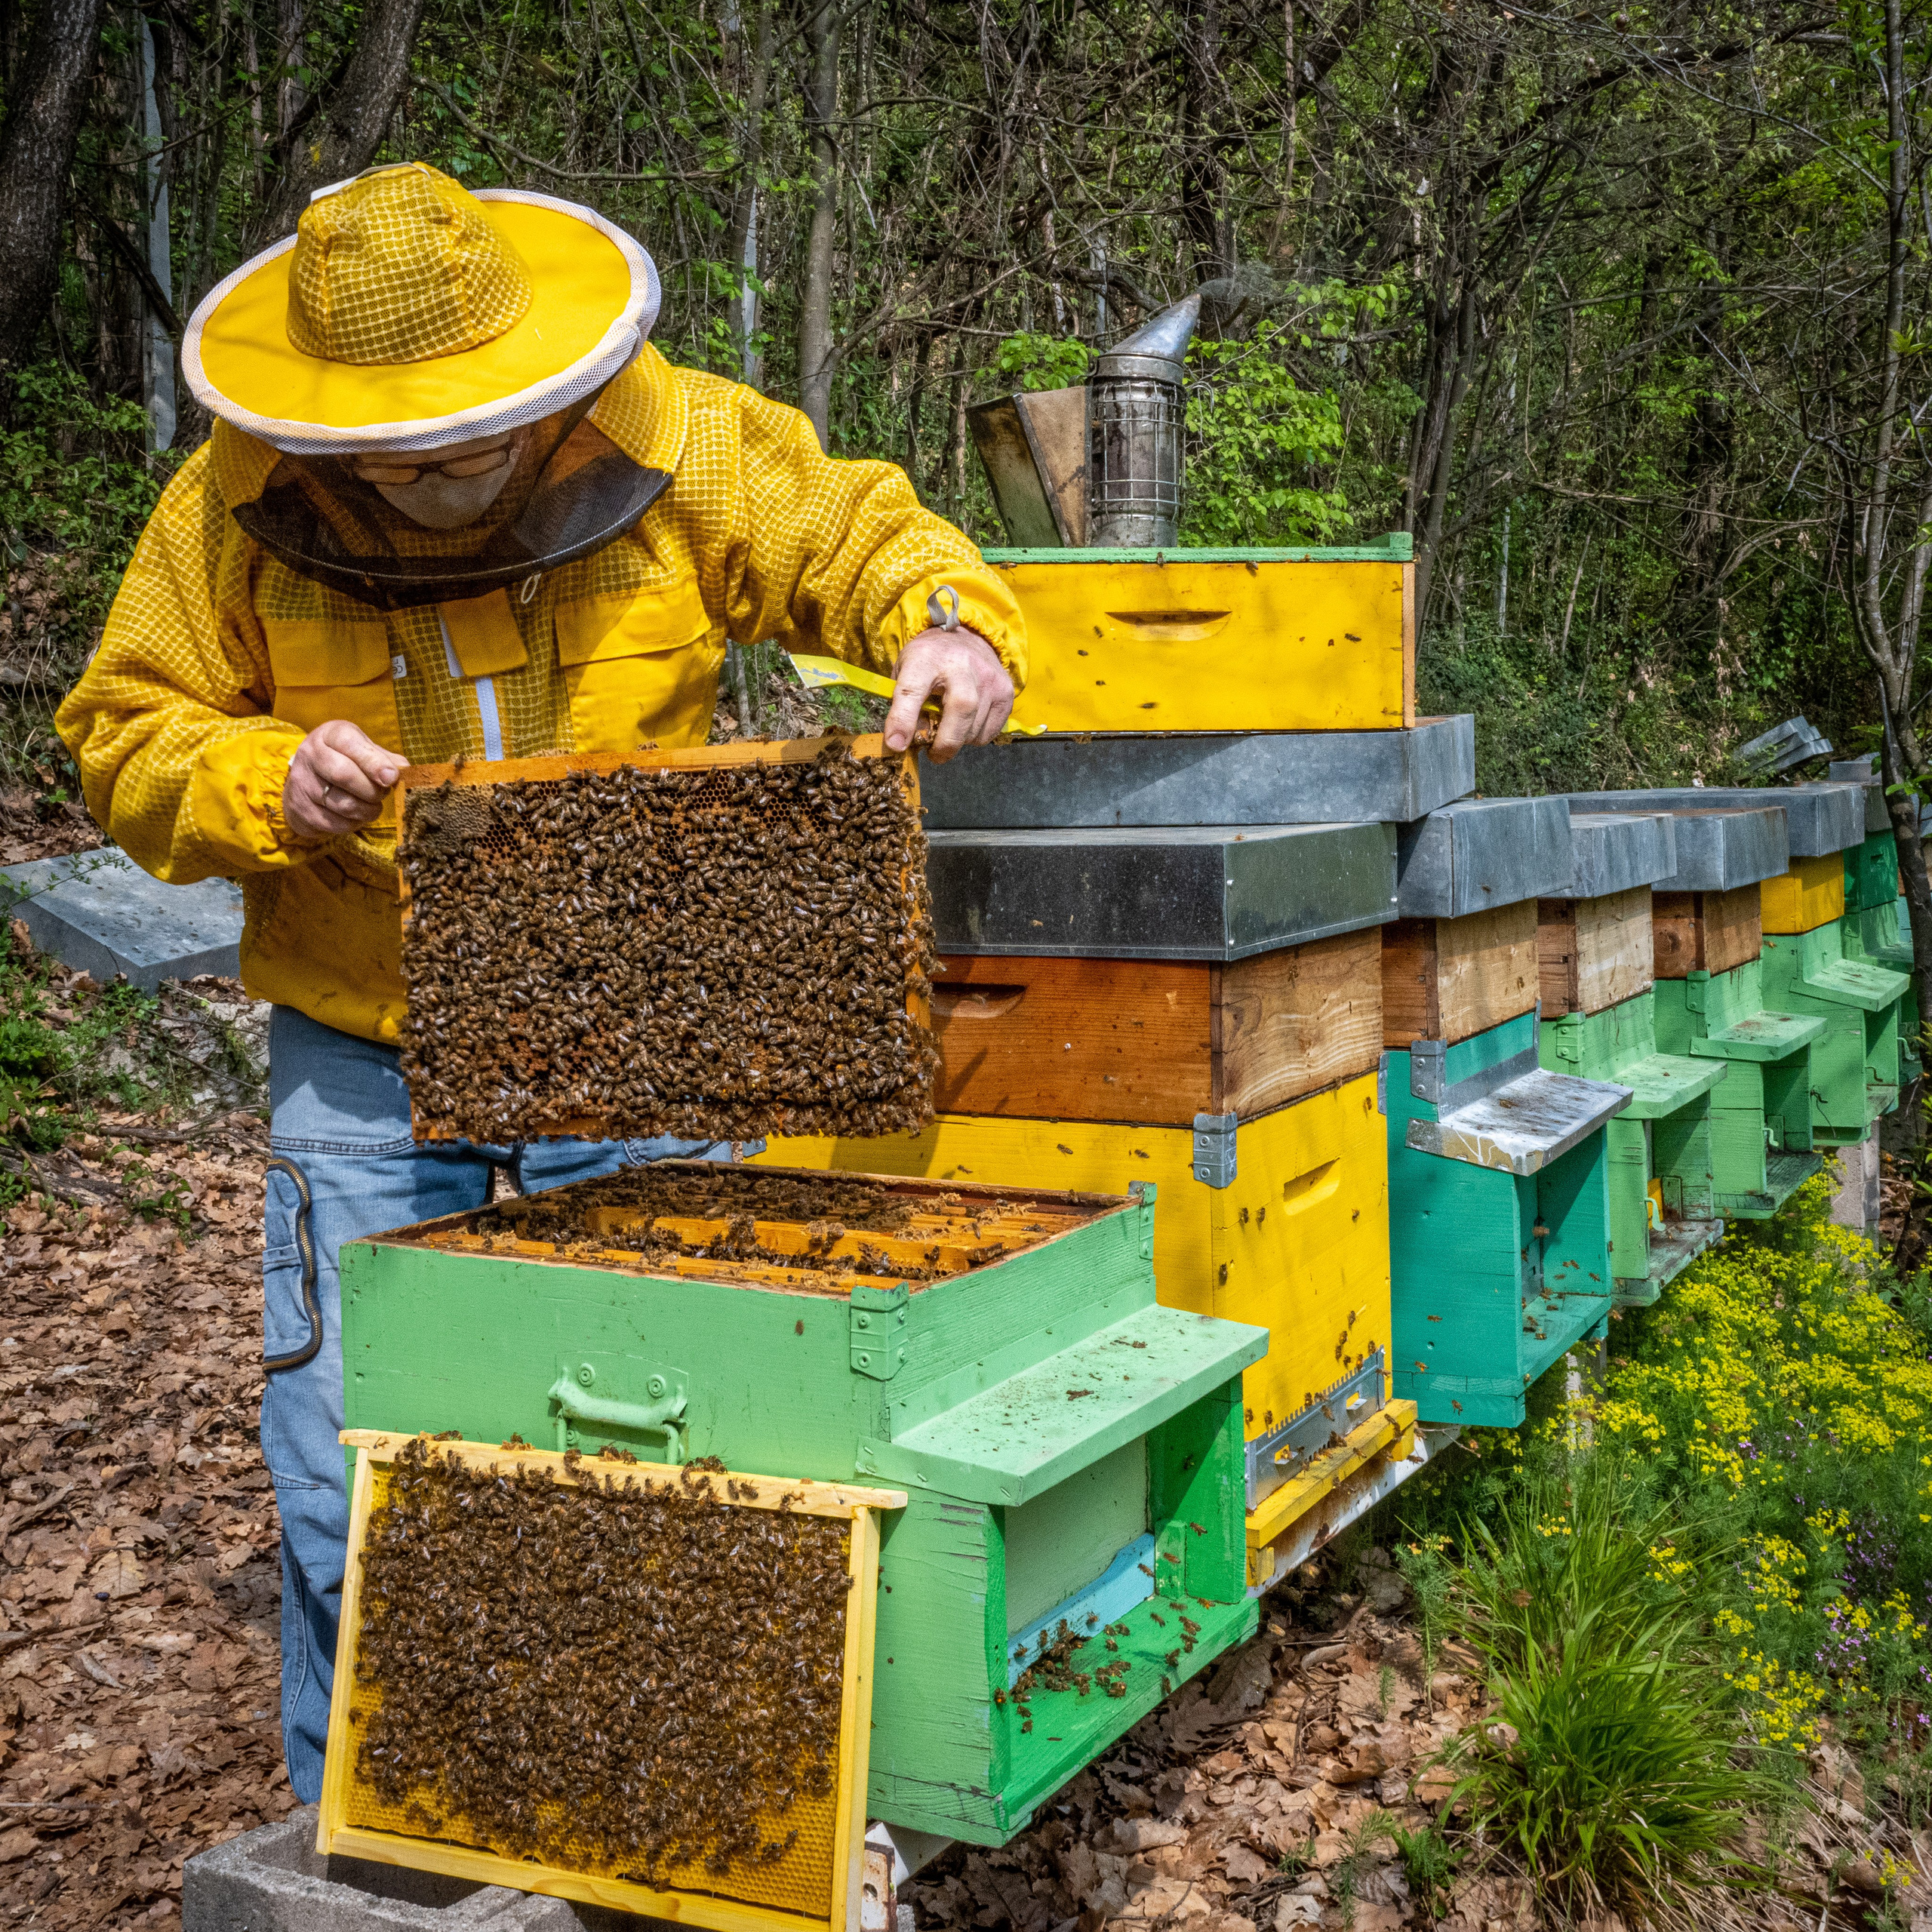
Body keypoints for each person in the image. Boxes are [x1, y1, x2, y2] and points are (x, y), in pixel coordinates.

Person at [54, 162, 1026, 1802]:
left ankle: (676, 1813)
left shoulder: (687, 442)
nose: (445, 483)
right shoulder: (220, 513)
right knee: (353, 1481)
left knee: (675, 1451)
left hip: (645, 1030)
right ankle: (362, 1849)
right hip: (365, 1041)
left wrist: (945, 623)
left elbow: (857, 534)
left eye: (478, 444)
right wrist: (256, 779)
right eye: (402, 458)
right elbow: (120, 730)